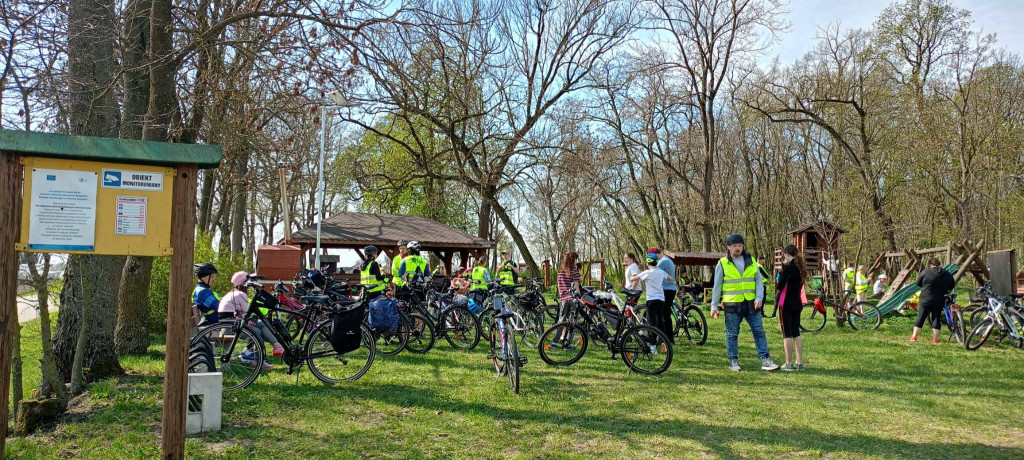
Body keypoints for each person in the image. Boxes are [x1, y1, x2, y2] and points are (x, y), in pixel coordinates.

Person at [710, 233, 779, 372]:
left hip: (751, 304)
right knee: (732, 334)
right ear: (728, 247)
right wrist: (714, 305)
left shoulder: (752, 260)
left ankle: (766, 360)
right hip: (732, 304)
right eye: (734, 246)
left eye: (740, 246)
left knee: (759, 331)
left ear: (743, 246)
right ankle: (733, 360)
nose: (737, 248)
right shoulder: (722, 263)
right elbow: (717, 286)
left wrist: (759, 298)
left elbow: (759, 281)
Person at [219, 271, 280, 370]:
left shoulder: (234, 293)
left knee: (260, 324)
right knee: (257, 332)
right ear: (243, 282)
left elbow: (244, 314)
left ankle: (276, 347)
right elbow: (247, 313)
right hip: (230, 328)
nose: (251, 283)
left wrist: (251, 320)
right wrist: (250, 320)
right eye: (249, 281)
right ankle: (260, 361)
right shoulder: (241, 295)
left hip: (230, 325)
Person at [776, 245, 806, 371]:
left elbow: (780, 285)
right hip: (797, 303)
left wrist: (782, 269)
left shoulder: (789, 268)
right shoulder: (801, 268)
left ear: (787, 254)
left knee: (786, 333)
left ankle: (788, 363)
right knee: (796, 333)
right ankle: (799, 362)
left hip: (786, 304)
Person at [911, 258, 955, 344]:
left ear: (930, 265)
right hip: (939, 299)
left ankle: (914, 337)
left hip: (925, 298)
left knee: (921, 317)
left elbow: (918, 283)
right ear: (939, 264)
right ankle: (935, 339)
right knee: (936, 318)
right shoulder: (947, 273)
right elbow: (951, 286)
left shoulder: (925, 272)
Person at [631, 253, 671, 341]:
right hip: (661, 299)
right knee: (660, 320)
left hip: (651, 299)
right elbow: (669, 278)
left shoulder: (647, 273)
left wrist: (634, 276)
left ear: (647, 263)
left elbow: (632, 279)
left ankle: (653, 345)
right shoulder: (661, 272)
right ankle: (664, 342)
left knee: (651, 323)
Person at [648, 248, 678, 321]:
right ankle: (667, 332)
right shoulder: (667, 259)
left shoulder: (663, 261)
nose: (652, 259)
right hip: (670, 289)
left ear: (656, 255)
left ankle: (667, 332)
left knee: (664, 315)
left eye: (652, 257)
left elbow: (653, 272)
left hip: (666, 289)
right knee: (665, 313)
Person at [556, 251, 582, 322]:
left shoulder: (560, 272)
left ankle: (561, 333)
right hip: (572, 299)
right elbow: (576, 288)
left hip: (563, 299)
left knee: (562, 322)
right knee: (572, 323)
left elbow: (559, 286)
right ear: (573, 260)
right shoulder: (574, 271)